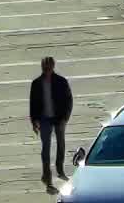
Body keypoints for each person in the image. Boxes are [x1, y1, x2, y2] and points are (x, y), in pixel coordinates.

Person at [28, 57, 74, 186]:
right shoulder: (36, 83)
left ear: (53, 67)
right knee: (46, 147)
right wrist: (34, 121)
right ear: (42, 67)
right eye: (45, 67)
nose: (47, 69)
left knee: (61, 145)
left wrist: (65, 118)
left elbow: (69, 100)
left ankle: (60, 170)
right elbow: (33, 104)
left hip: (59, 118)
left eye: (48, 67)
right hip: (44, 119)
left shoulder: (61, 81)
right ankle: (46, 175)